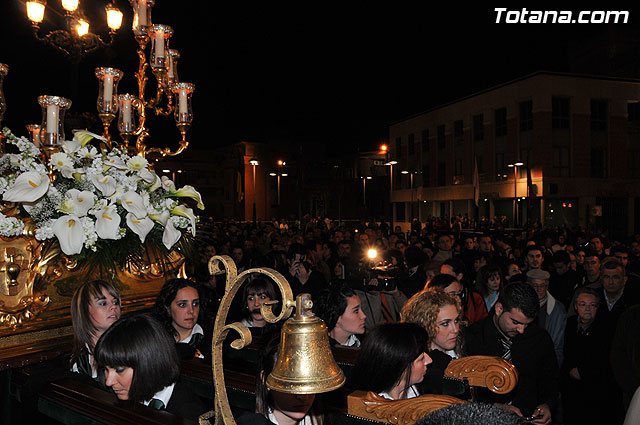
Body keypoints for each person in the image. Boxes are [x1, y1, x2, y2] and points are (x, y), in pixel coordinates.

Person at [464, 282, 558, 424]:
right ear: (499, 308)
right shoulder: (473, 338)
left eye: (527, 324)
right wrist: (493, 407)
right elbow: (463, 389)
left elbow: (551, 379)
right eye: (515, 322)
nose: (521, 330)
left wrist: (547, 404)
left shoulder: (539, 338)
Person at [94, 314, 206, 421]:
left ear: (148, 363)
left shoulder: (188, 412)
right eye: (105, 369)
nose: (109, 382)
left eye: (119, 370)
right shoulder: (117, 397)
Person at [237, 336, 324, 425]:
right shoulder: (248, 421)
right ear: (265, 379)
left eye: (308, 382)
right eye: (289, 384)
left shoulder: (326, 419)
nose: (302, 396)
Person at [402, 288, 464, 394]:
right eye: (445, 324)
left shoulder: (462, 348)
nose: (455, 329)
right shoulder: (421, 369)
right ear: (426, 325)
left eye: (456, 320)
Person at [562, 287, 609, 425]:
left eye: (592, 305)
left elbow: (603, 358)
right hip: (570, 388)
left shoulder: (605, 328)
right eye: (583, 304)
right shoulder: (570, 324)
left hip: (594, 390)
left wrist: (583, 371)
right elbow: (564, 350)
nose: (587, 309)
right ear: (576, 306)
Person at [349, 322, 432, 400]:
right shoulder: (373, 406)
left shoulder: (419, 389)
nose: (429, 360)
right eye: (421, 358)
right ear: (400, 366)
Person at [70, 279, 121, 379]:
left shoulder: (129, 349)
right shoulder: (79, 361)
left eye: (115, 302)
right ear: (84, 310)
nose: (113, 307)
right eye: (103, 303)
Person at [152, 278, 206, 360]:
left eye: (195, 304)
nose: (191, 310)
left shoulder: (214, 339)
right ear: (168, 309)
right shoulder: (155, 341)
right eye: (182, 305)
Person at [527, 269, 567, 367]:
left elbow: (558, 345)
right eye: (535, 285)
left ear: (547, 285)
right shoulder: (521, 305)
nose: (539, 289)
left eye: (542, 285)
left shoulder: (557, 309)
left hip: (547, 361)